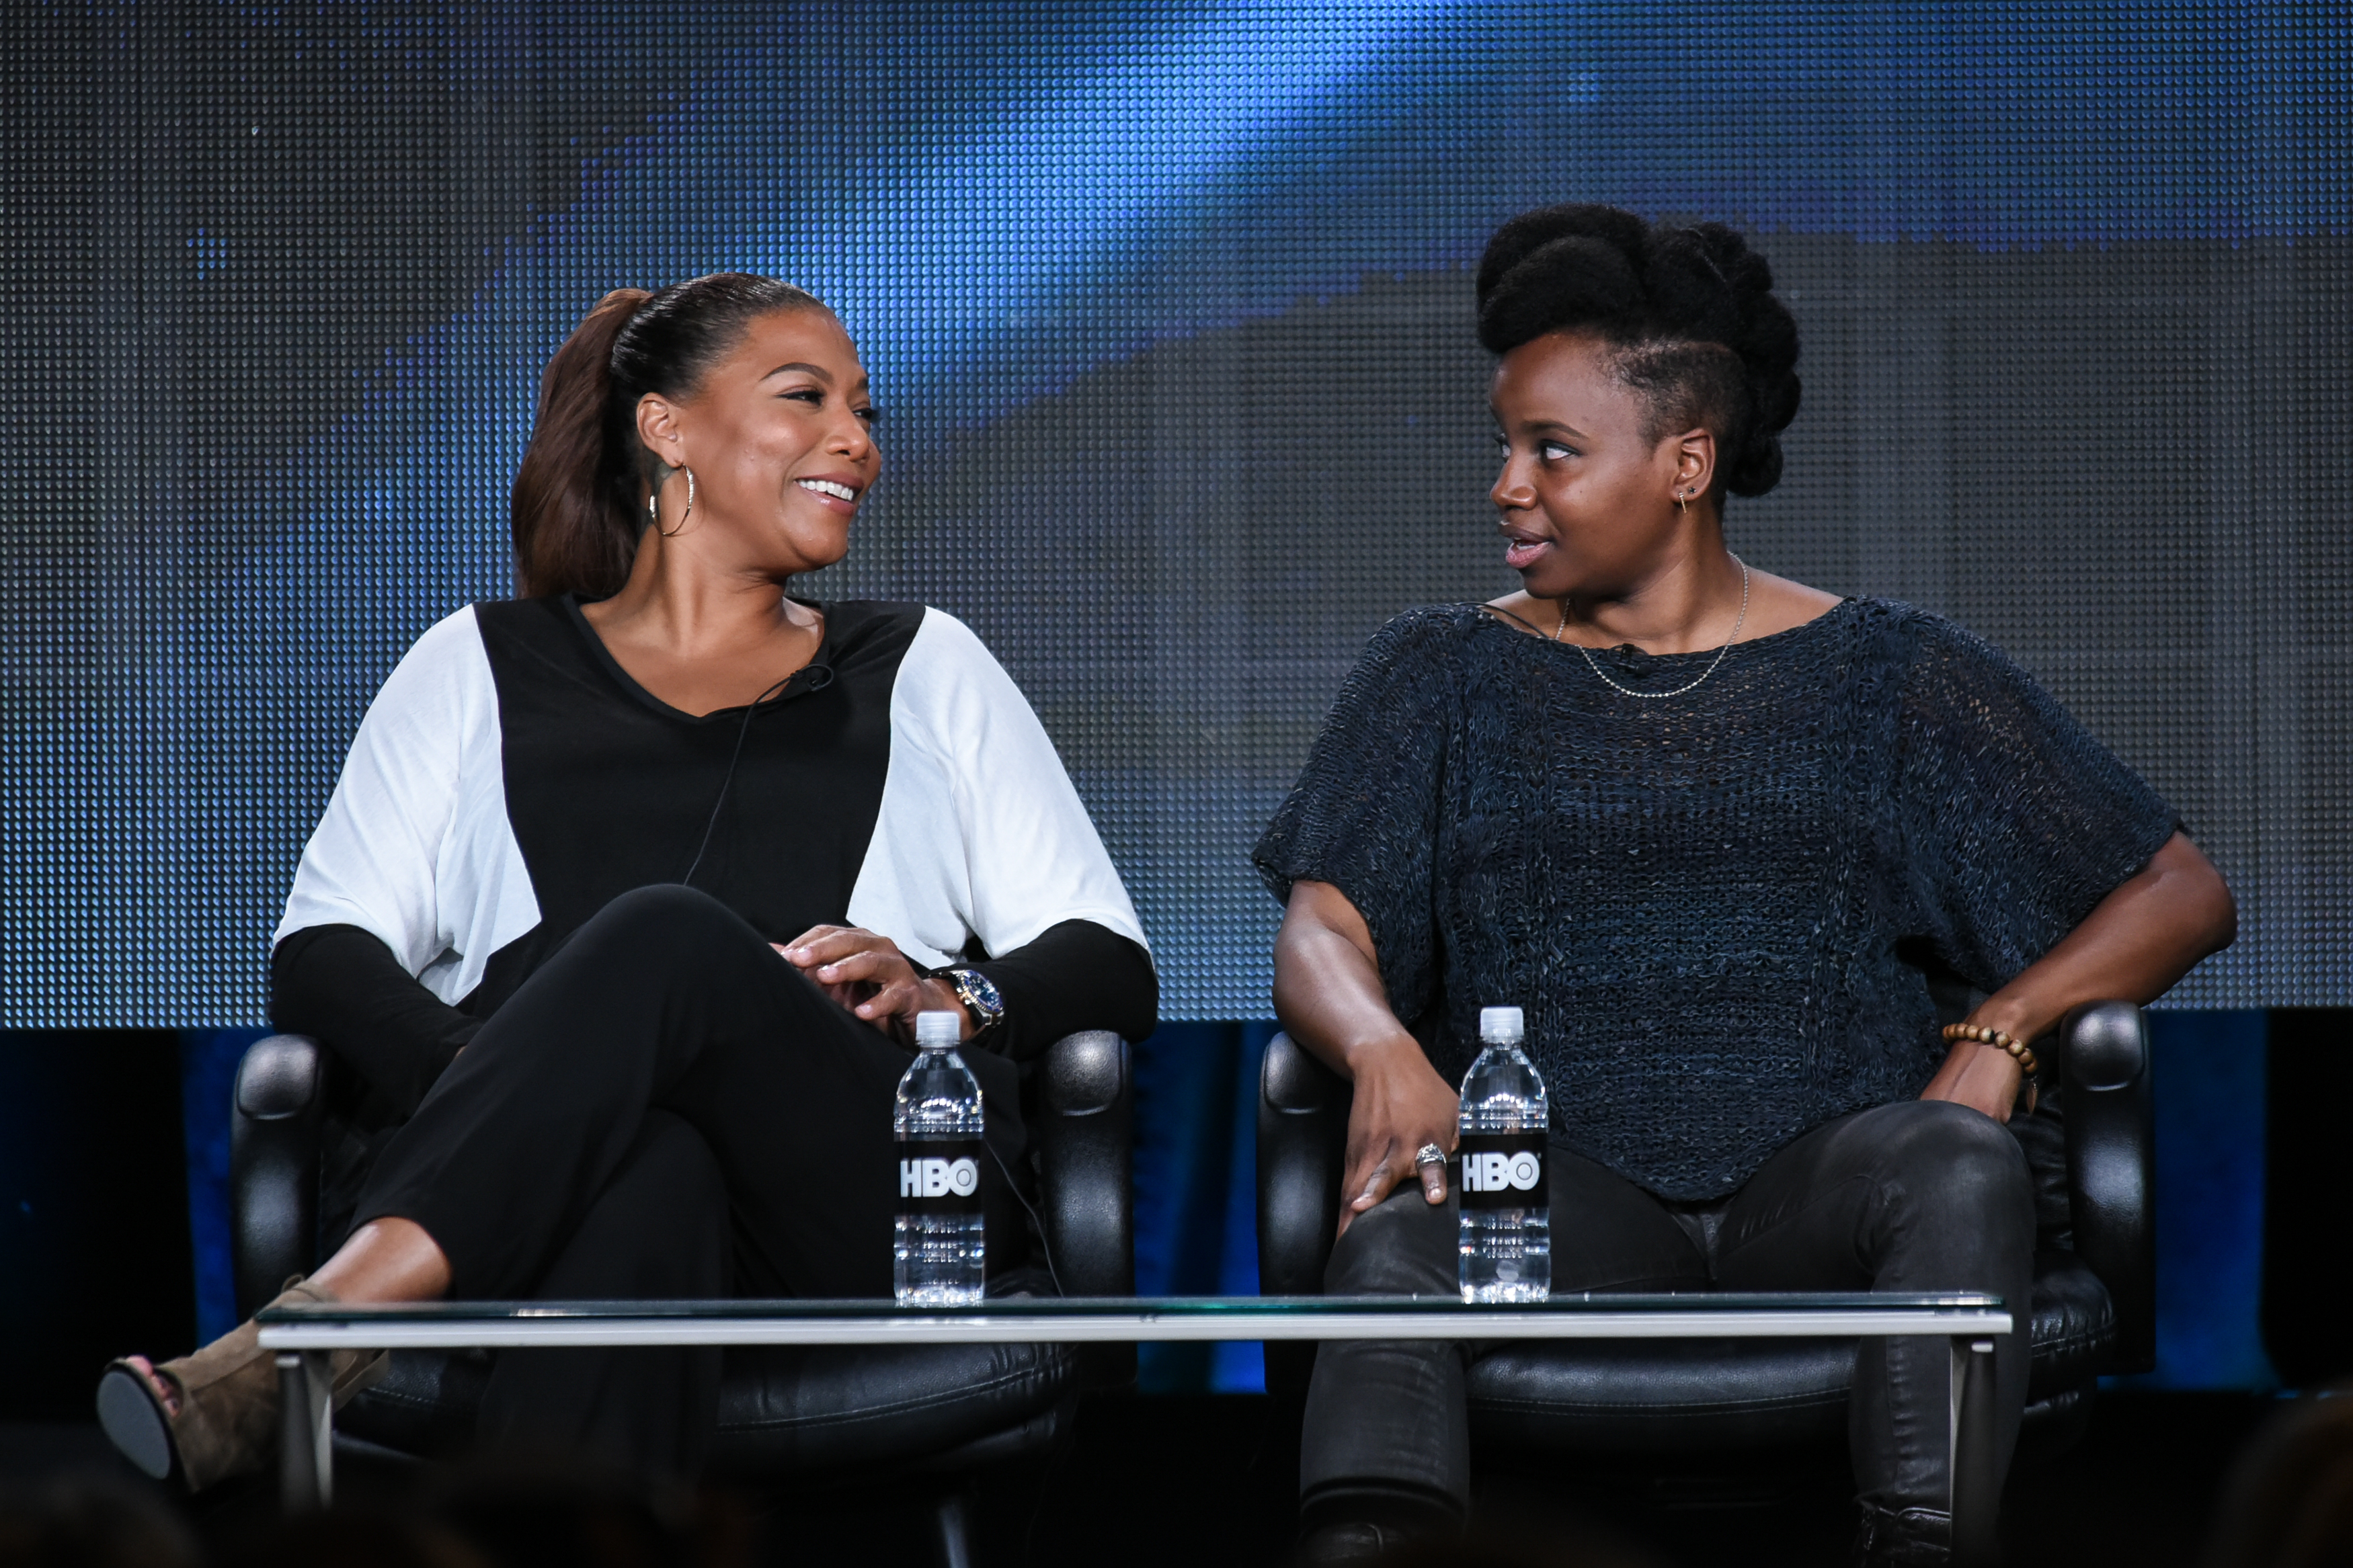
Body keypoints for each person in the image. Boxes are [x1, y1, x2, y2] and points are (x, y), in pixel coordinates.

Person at [1252, 205, 2236, 1567]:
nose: (1506, 486)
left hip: (1822, 1189)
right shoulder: (1437, 673)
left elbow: (2180, 891)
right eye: (1505, 446)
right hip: (1559, 1191)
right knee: (1395, 1251)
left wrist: (2002, 1031)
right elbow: (1322, 923)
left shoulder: (1886, 672)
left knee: (1957, 1161)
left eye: (1552, 450)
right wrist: (1377, 1046)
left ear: (1686, 462)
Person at [95, 272, 1157, 1490]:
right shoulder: (474, 665)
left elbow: (1110, 961)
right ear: (667, 427)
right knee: (647, 1169)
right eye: (806, 398)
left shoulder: (924, 663)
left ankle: (310, 1338)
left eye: (865, 412)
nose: (858, 441)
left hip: (851, 1194)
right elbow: (324, 954)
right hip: (561, 1202)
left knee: (668, 936)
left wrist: (950, 994)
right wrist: (526, 1088)